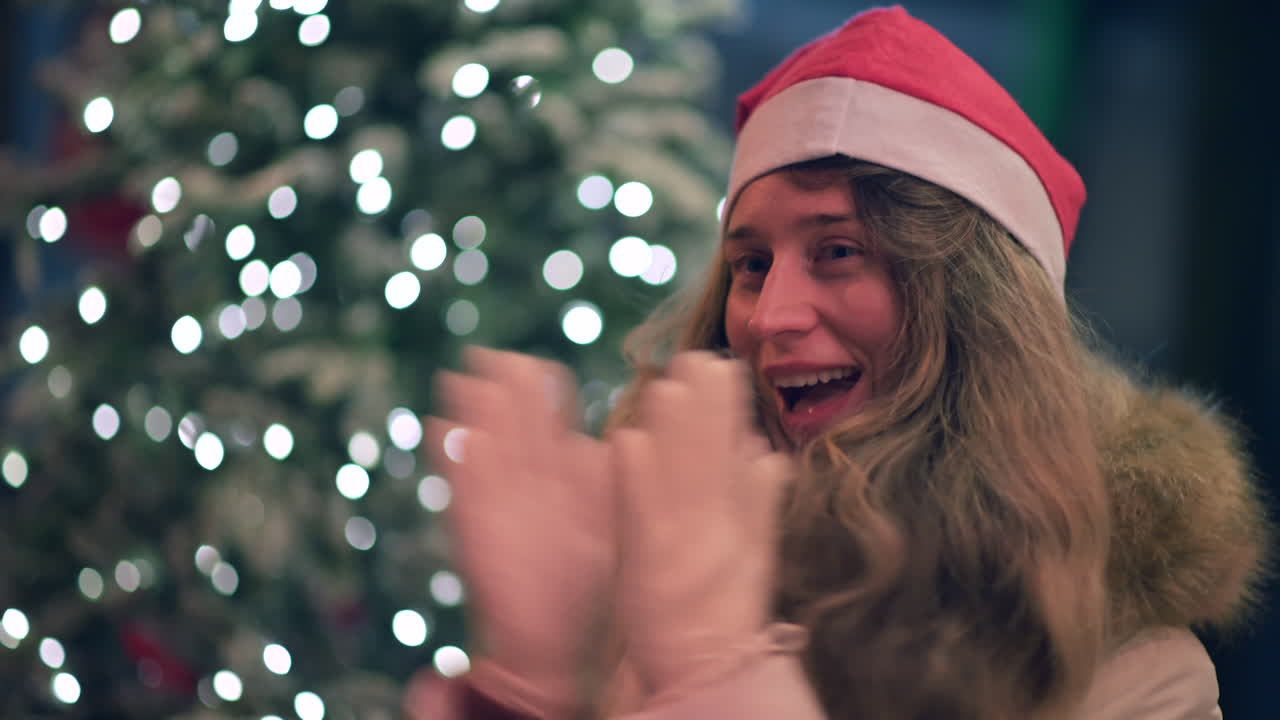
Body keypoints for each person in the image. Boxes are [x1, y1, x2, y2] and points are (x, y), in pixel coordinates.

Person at [407, 6, 1269, 719]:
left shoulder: (1133, 668)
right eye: (750, 265)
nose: (770, 317)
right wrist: (533, 689)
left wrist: (719, 668)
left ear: (973, 310)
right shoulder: (642, 570)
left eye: (839, 251)